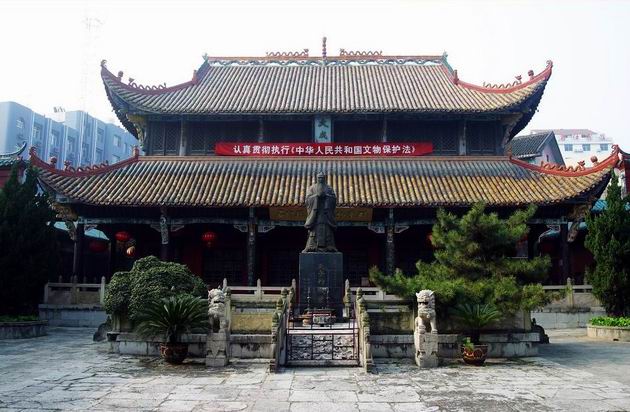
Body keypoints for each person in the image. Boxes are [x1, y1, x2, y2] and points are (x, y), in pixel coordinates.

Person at [303, 172, 337, 252]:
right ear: (317, 178)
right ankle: (311, 245)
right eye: (319, 178)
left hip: (326, 214)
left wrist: (326, 197)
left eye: (322, 178)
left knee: (328, 231)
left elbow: (333, 199)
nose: (320, 179)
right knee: (314, 231)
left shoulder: (329, 188)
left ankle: (329, 246)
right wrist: (316, 196)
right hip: (315, 214)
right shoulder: (312, 188)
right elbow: (307, 200)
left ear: (324, 178)